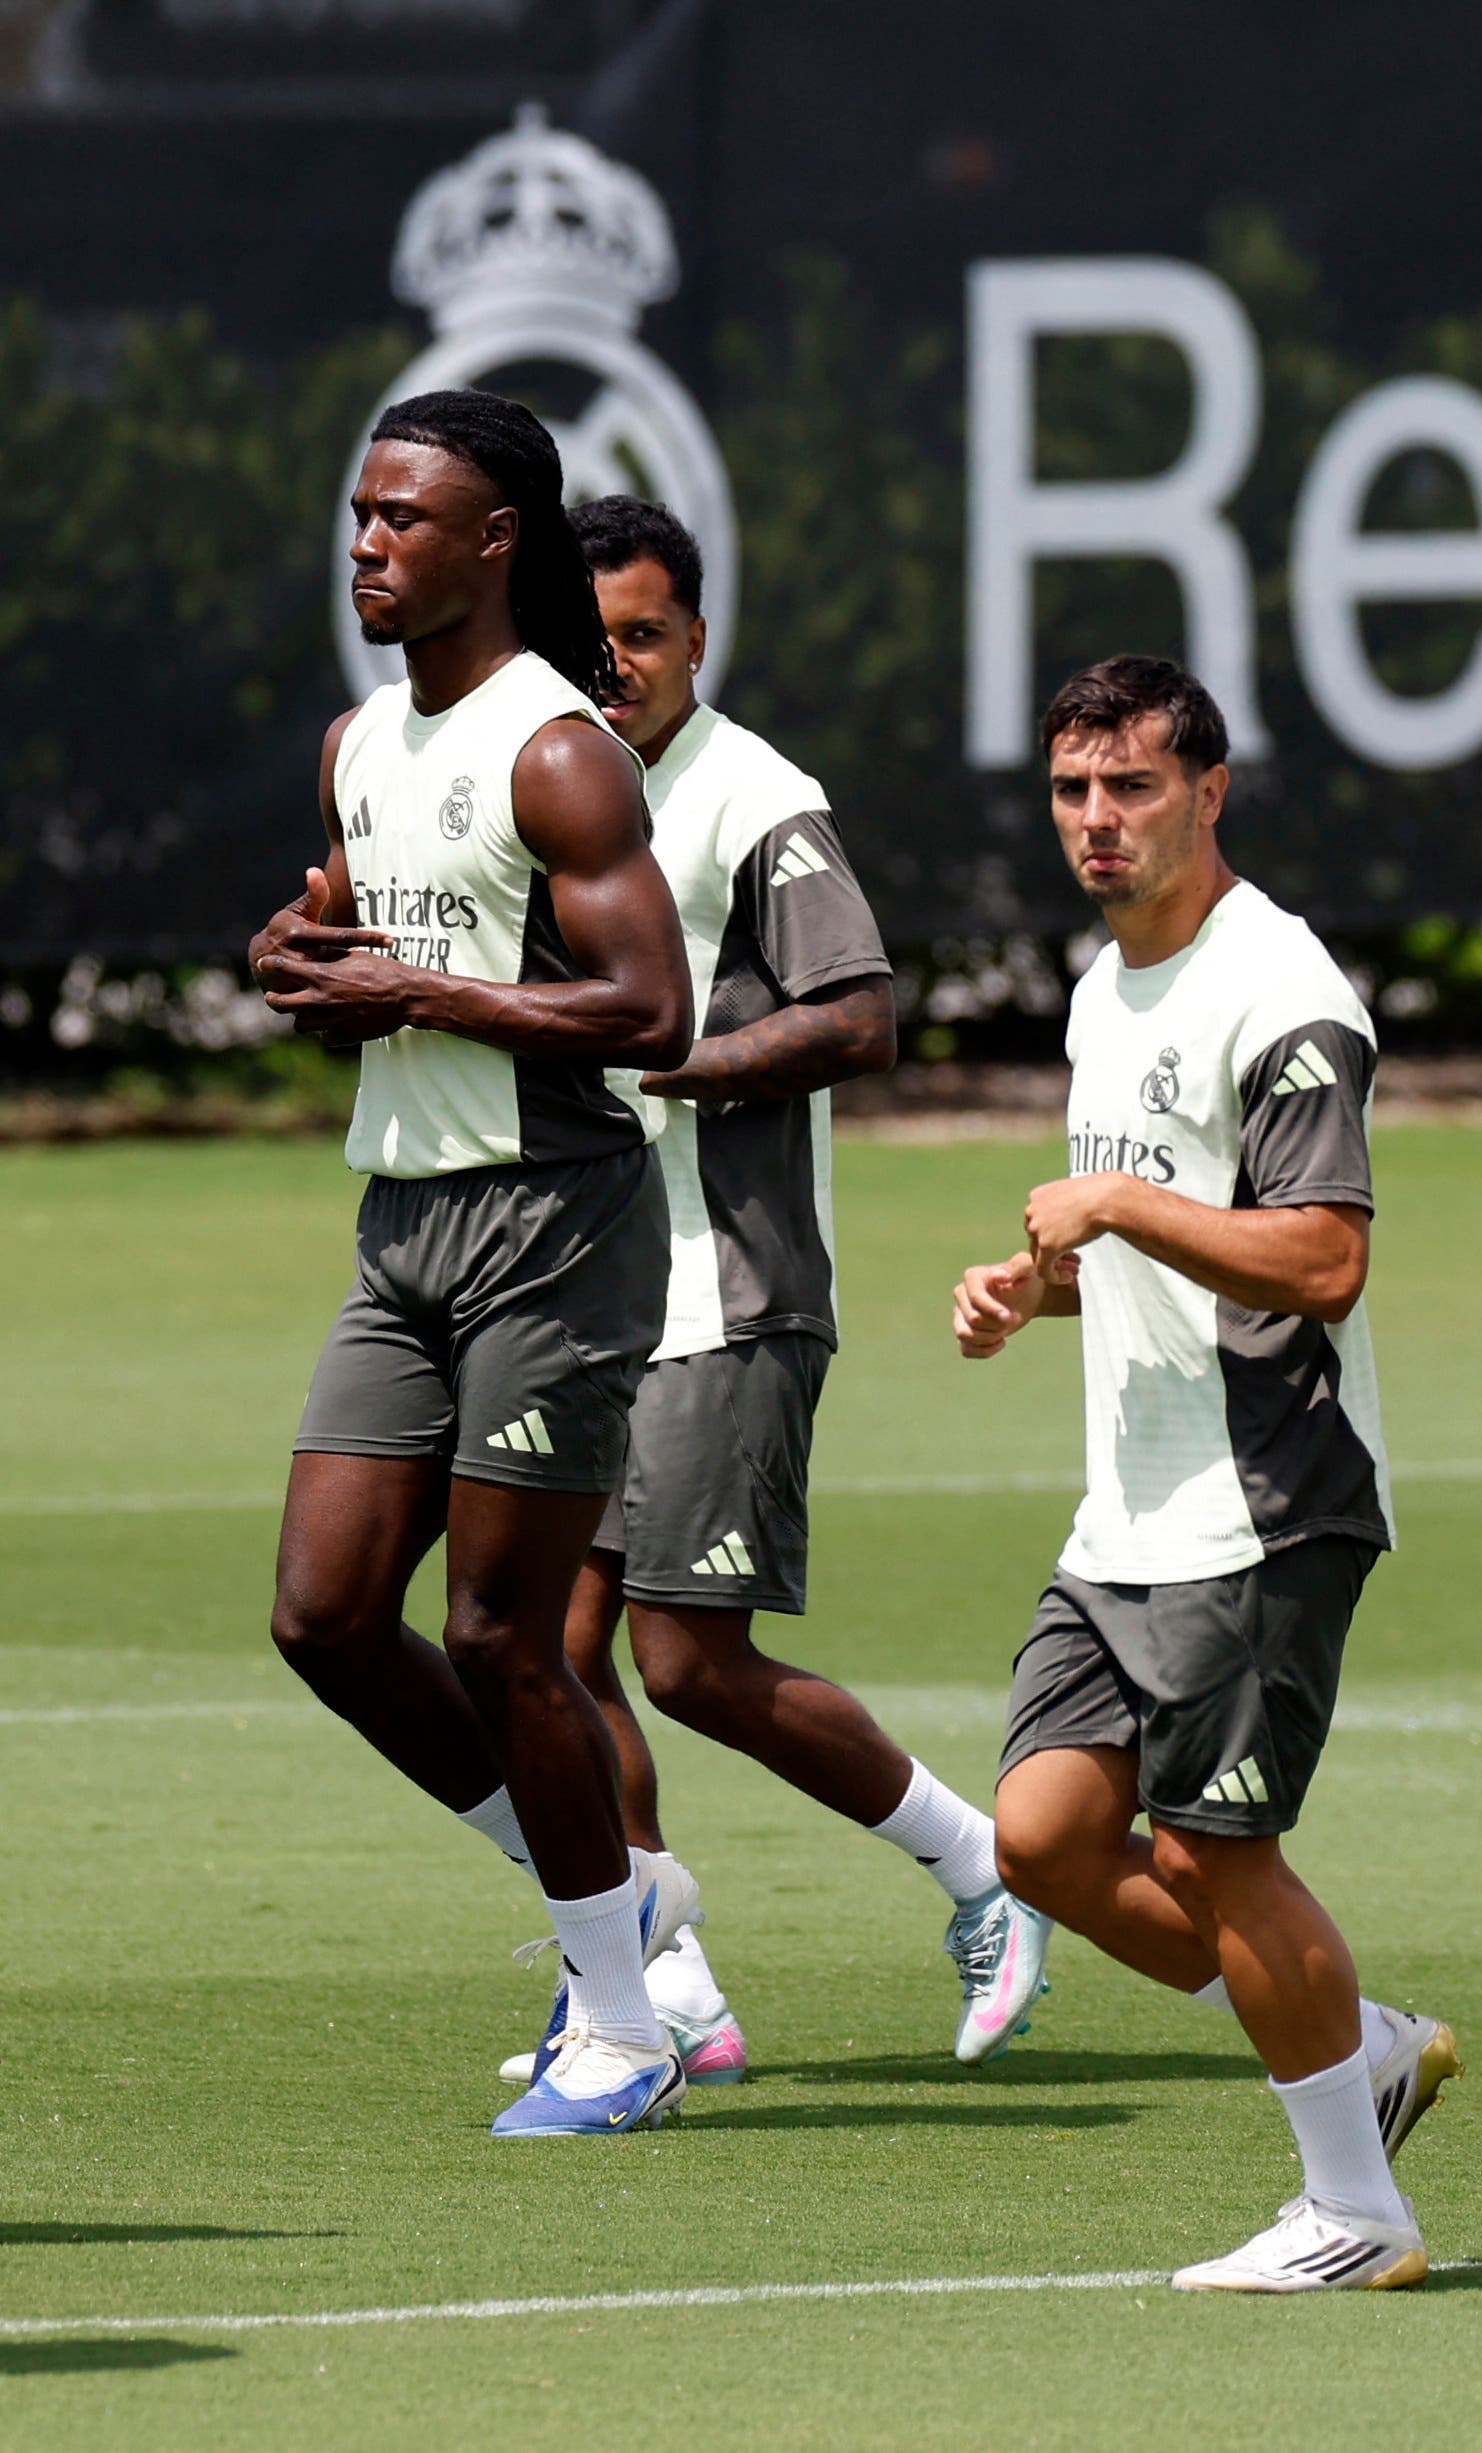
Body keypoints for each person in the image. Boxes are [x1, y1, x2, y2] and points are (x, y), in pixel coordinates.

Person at [485, 496, 1044, 2095]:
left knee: (685, 1659)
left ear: (698, 640)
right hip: (587, 1284)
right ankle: (662, 1973)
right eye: (592, 645)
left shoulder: (755, 796)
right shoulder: (540, 782)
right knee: (548, 1643)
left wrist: (684, 1058)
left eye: (647, 637)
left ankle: (981, 1866)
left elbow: (863, 1014)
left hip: (726, 1286)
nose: (621, 670)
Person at [949, 656, 1454, 2289]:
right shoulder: (1105, 989)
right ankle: (1357, 2041)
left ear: (1209, 791)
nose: (1096, 821)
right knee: (1038, 1836)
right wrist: (1039, 1287)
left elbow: (1318, 1255)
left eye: (1132, 788)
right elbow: (1164, 1232)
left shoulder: (1281, 986)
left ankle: (1354, 2210)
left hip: (1264, 1495)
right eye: (1071, 791)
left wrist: (1110, 1214)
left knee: (1218, 1856)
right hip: (1129, 1508)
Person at [249, 388, 700, 2137]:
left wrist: (406, 989)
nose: (367, 544)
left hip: (555, 1227)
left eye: (402, 518)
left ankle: (622, 2022)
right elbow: (379, 951)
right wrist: (311, 957)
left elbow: (649, 1011)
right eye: (360, 515)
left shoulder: (560, 745)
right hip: (405, 1226)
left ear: (493, 538)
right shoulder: (363, 743)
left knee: (505, 1633)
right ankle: (607, 1889)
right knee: (323, 1614)